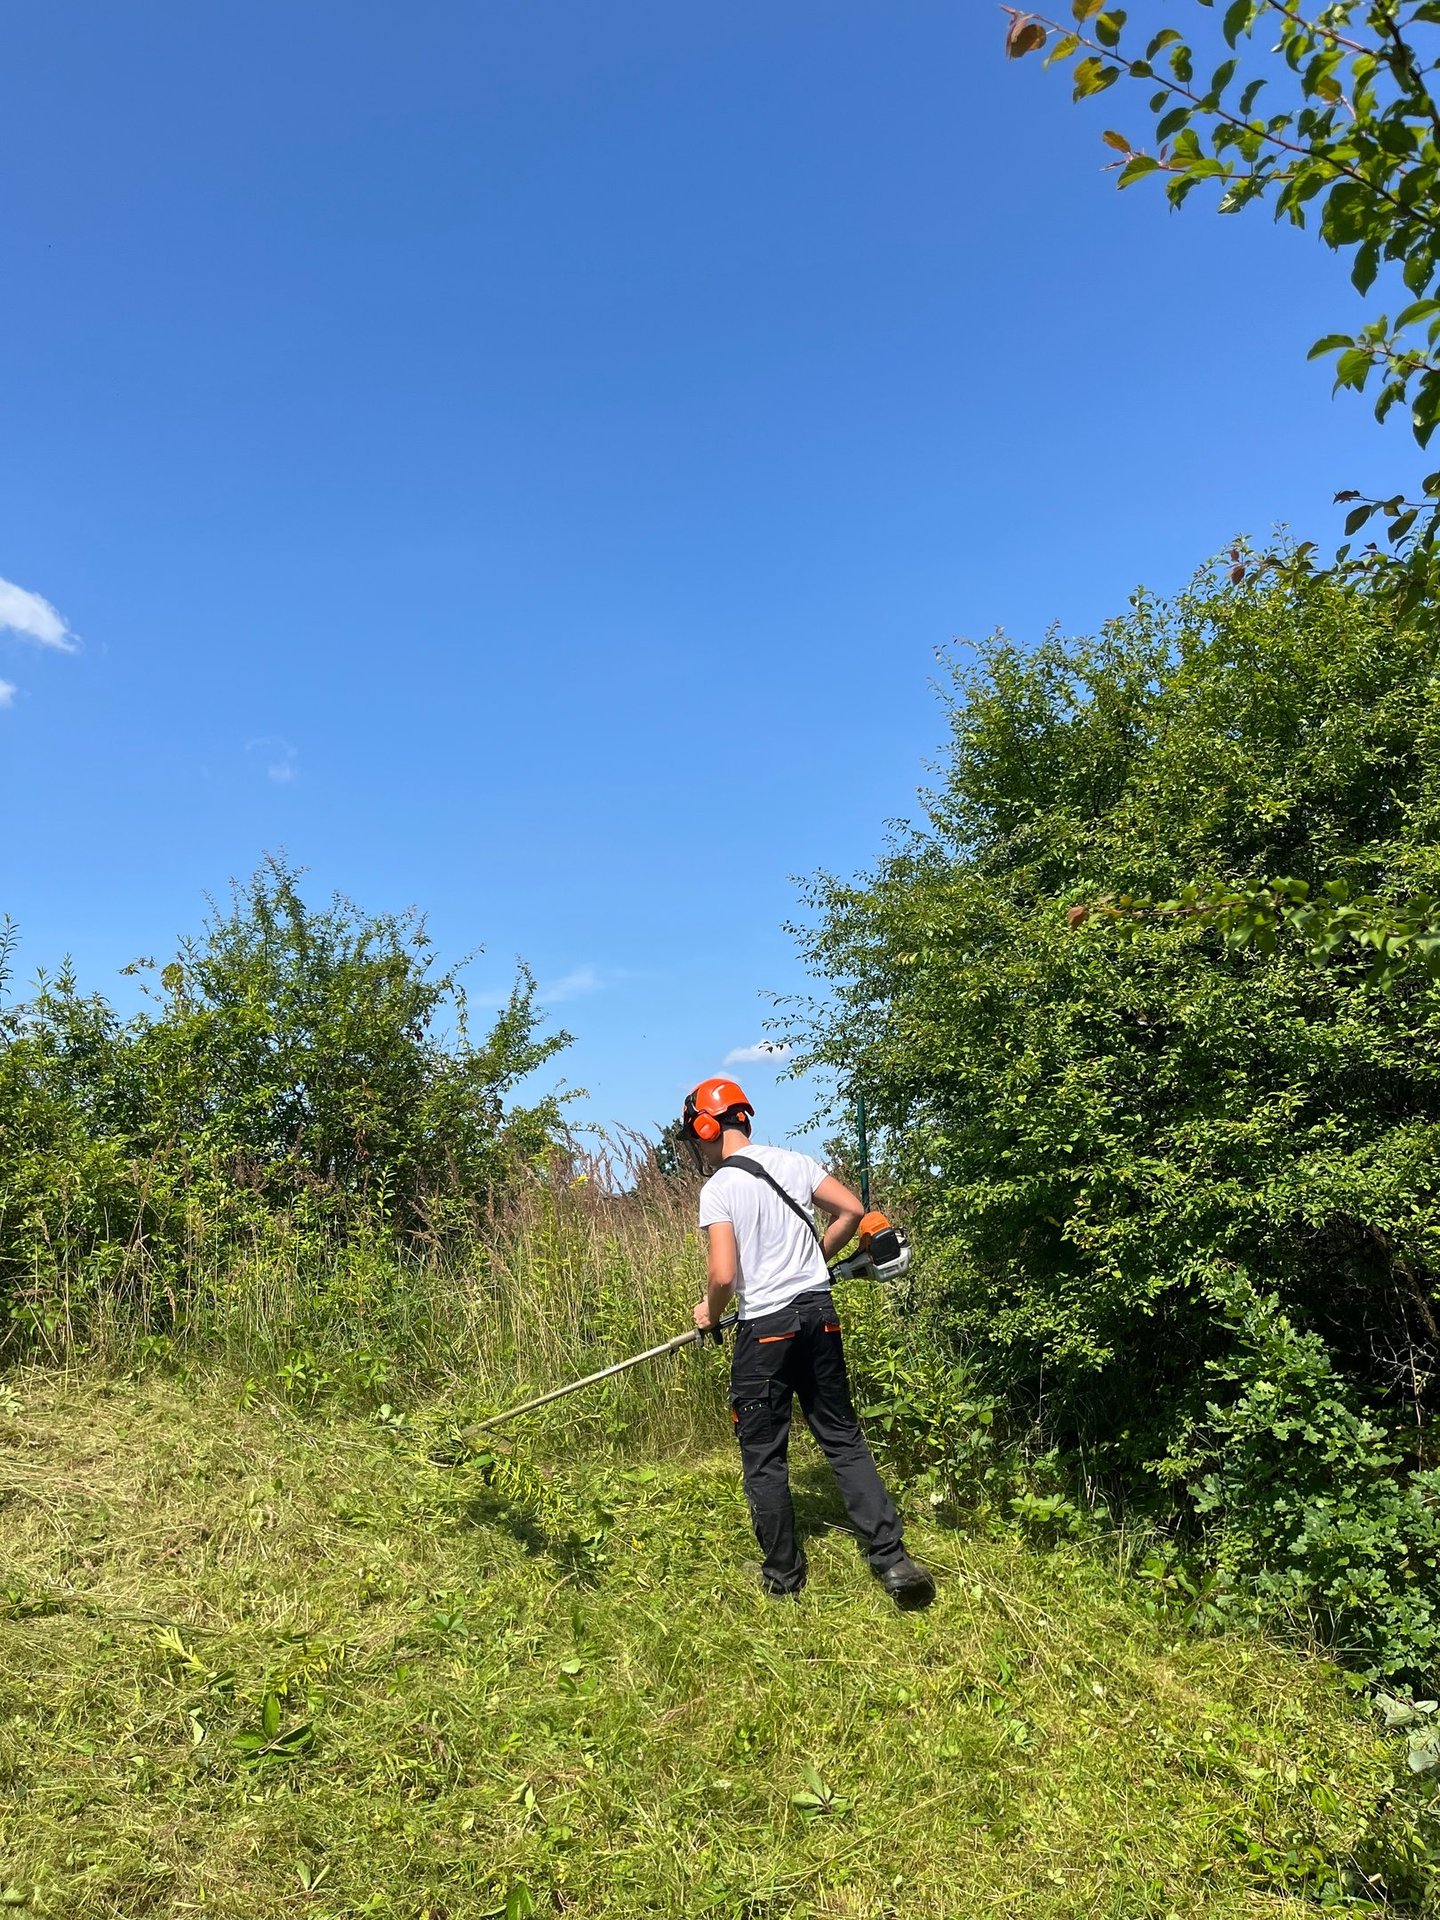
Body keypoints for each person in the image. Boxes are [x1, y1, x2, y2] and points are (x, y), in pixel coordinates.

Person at [683, 1076, 935, 1608]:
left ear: (706, 1128)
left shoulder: (719, 1188)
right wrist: (814, 1259)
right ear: (744, 1119)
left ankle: (783, 1579)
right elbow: (854, 1210)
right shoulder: (796, 1163)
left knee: (765, 1455)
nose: (699, 1150)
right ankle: (891, 1559)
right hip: (819, 1315)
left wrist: (711, 1313)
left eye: (696, 1137)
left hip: (766, 1330)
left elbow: (725, 1275)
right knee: (842, 1437)